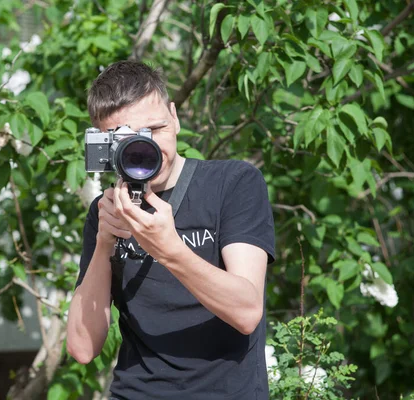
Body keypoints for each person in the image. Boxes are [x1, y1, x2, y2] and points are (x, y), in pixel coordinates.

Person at [66, 60, 275, 400]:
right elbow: (81, 348)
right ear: (104, 146)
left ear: (175, 117)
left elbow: (247, 312)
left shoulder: (233, 183)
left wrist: (168, 248)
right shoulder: (106, 212)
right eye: (129, 139)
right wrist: (105, 243)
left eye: (156, 129)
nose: (147, 147)